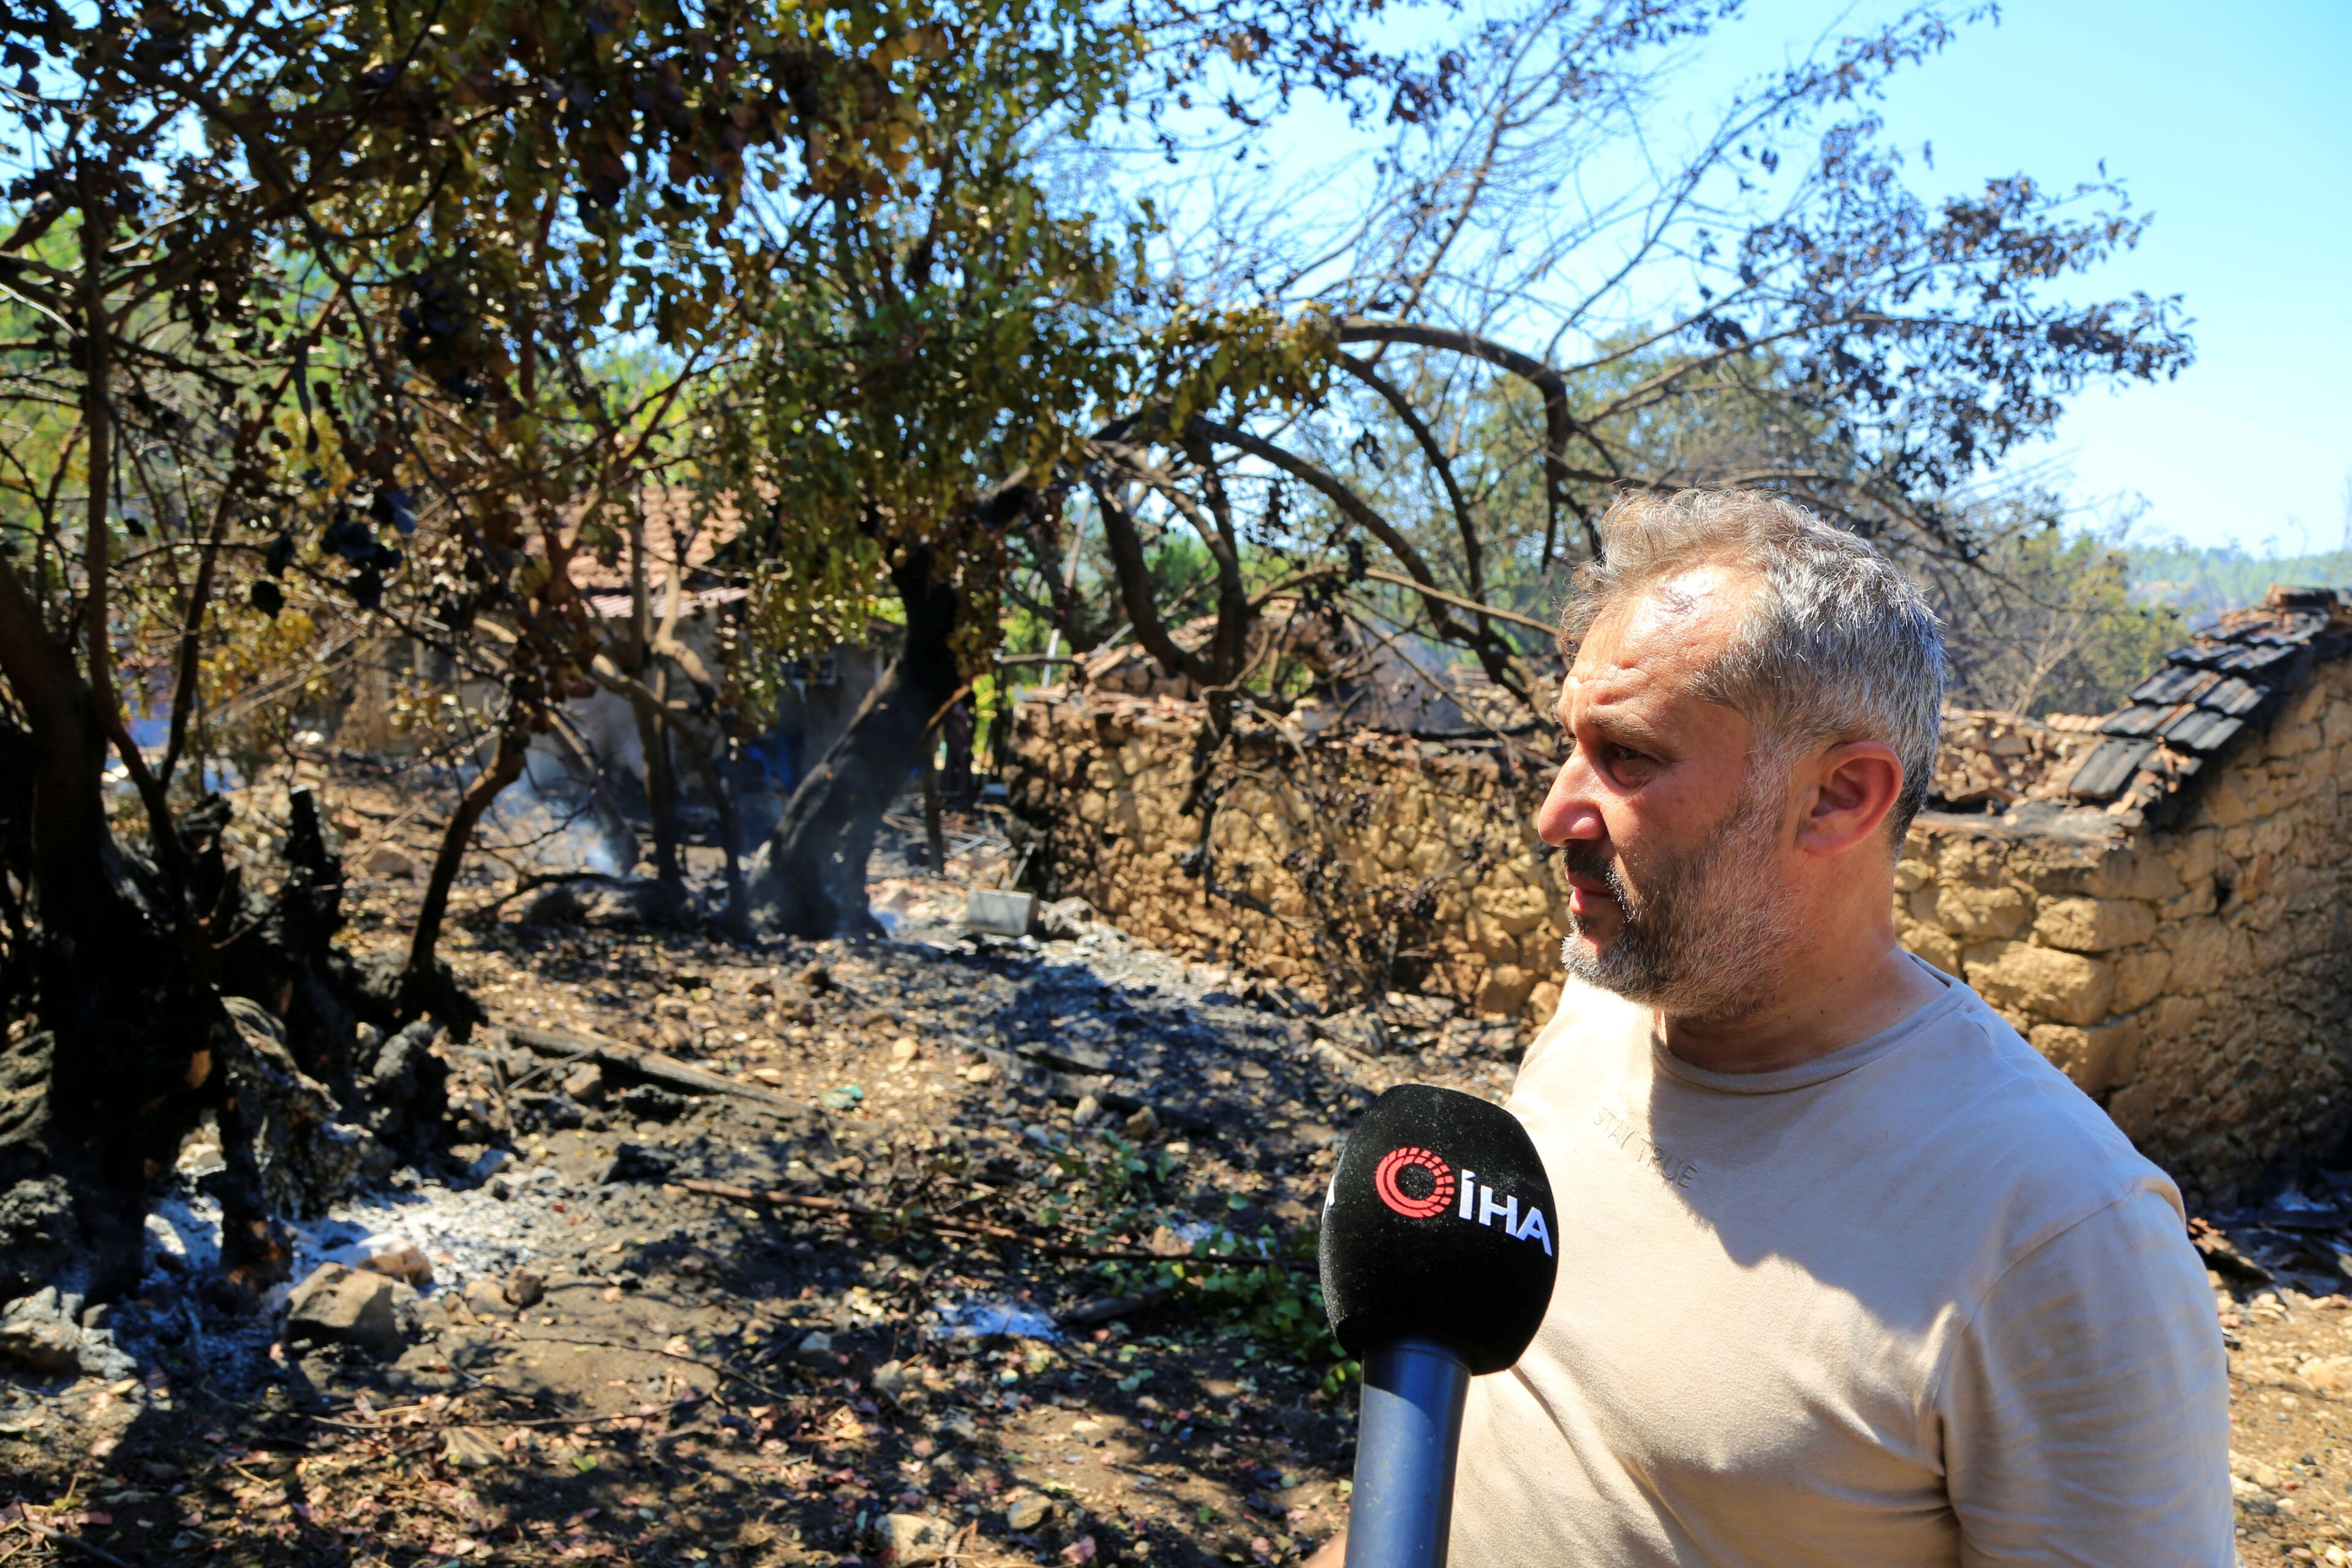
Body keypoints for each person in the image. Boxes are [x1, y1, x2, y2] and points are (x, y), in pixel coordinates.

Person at [1310, 490, 2230, 1566]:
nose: (1554, 813)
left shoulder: (2064, 1240)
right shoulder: (1602, 1006)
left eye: (1630, 759)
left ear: (1839, 798)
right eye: (1571, 745)